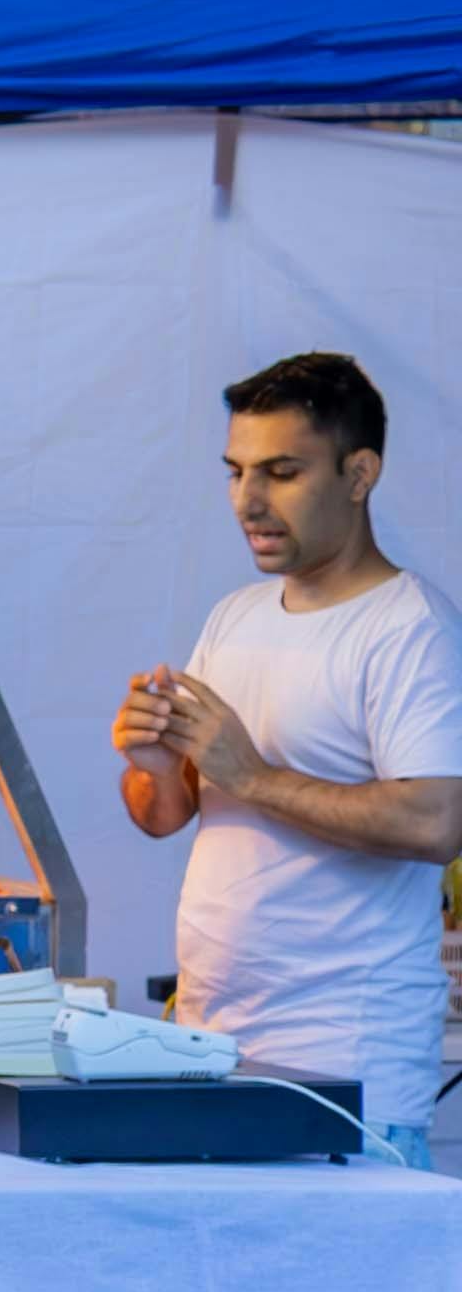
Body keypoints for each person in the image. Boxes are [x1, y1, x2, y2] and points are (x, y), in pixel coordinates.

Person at [117, 349, 462, 1165]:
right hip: (212, 1049)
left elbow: (436, 822)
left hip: (349, 1075)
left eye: (281, 471)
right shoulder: (234, 616)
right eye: (236, 472)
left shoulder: (408, 628)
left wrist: (252, 775)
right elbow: (168, 815)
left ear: (359, 472)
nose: (249, 501)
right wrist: (153, 764)